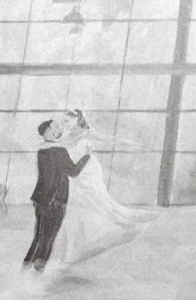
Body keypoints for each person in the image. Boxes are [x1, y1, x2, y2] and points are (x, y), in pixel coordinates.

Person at [43, 108, 148, 272]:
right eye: (63, 121)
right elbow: (50, 147)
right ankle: (69, 253)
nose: (64, 123)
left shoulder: (86, 133)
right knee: (73, 211)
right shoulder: (64, 136)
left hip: (89, 173)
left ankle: (78, 249)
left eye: (68, 120)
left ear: (77, 120)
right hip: (75, 175)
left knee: (96, 206)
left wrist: (132, 144)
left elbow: (111, 140)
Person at [23, 118, 87, 272]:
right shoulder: (59, 152)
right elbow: (74, 171)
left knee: (38, 237)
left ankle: (25, 268)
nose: (59, 129)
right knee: (48, 240)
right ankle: (38, 272)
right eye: (56, 127)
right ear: (48, 130)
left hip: (40, 199)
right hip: (56, 201)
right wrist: (87, 156)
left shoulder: (42, 151)